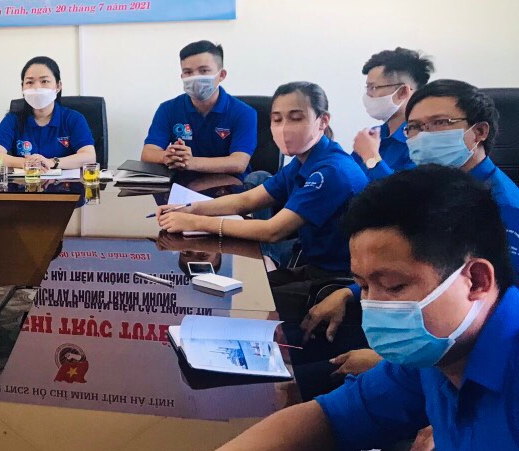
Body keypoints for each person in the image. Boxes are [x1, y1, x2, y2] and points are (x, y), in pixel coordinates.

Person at [108, 167, 519, 451]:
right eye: (364, 285)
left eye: (393, 286)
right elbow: (332, 420)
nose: (374, 306)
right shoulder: (435, 358)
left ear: (476, 280)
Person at [306, 80, 519, 346]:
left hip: (452, 343)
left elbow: (501, 304)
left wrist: (385, 359)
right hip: (399, 314)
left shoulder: (504, 207)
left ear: (479, 132)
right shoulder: (434, 186)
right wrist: (351, 292)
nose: (424, 136)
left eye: (440, 123)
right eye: (415, 127)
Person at [156, 82, 368, 279]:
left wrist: (195, 223)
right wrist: (189, 208)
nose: (284, 127)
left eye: (296, 118)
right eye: (277, 119)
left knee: (249, 293)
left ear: (323, 121)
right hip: (311, 258)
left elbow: (272, 231)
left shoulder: (330, 172)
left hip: (337, 277)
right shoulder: (305, 160)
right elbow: (246, 200)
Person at [141, 40, 258, 176]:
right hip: (182, 184)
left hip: (231, 185)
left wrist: (190, 162)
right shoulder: (167, 109)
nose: (195, 77)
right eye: (188, 72)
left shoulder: (244, 112)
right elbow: (148, 153)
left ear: (221, 75)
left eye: (203, 71)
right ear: (182, 76)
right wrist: (168, 156)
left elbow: (239, 162)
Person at [0, 56, 96, 170]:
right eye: (30, 82)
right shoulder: (13, 120)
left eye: (44, 81)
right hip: (25, 180)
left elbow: (89, 157)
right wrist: (26, 163)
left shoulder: (74, 119)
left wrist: (51, 162)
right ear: (23, 88)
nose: (37, 87)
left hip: (66, 181)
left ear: (58, 86)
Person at [351, 47, 434, 181]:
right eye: (367, 88)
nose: (368, 95)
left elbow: (404, 192)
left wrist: (371, 157)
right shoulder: (373, 135)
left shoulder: (424, 142)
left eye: (373, 87)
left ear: (403, 92)